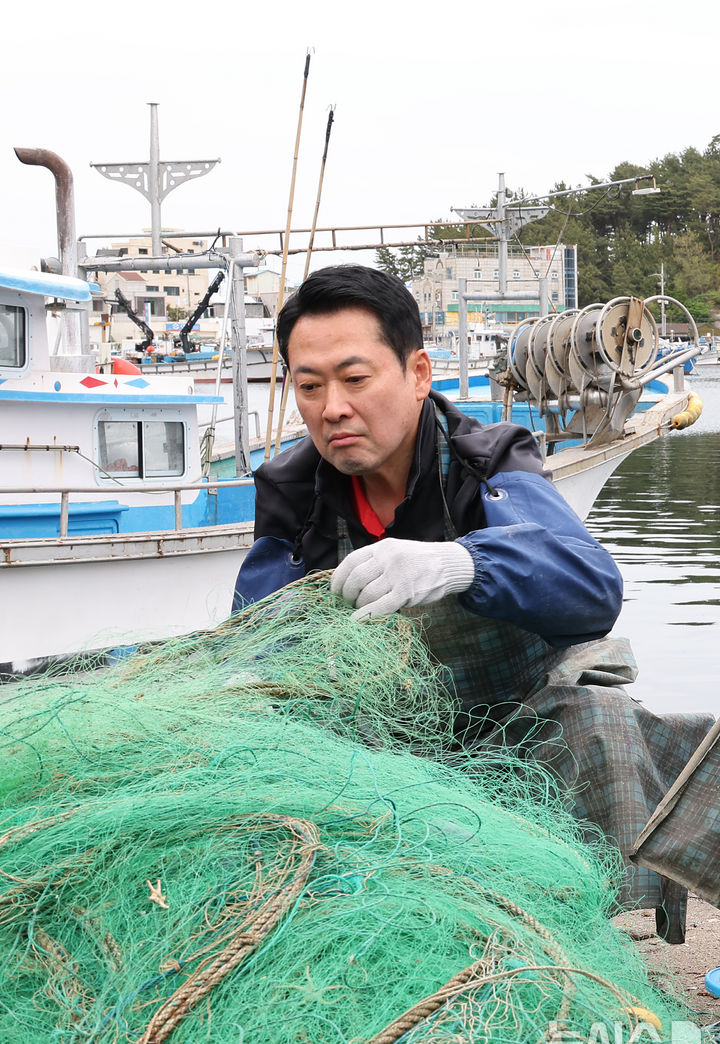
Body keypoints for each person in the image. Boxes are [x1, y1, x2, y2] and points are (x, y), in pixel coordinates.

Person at [233, 264, 714, 941]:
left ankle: (590, 936)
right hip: (378, 740)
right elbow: (258, 630)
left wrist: (464, 562)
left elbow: (590, 584)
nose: (332, 407)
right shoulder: (291, 488)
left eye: (355, 379)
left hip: (513, 729)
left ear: (419, 373)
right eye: (309, 387)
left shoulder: (488, 462)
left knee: (598, 716)